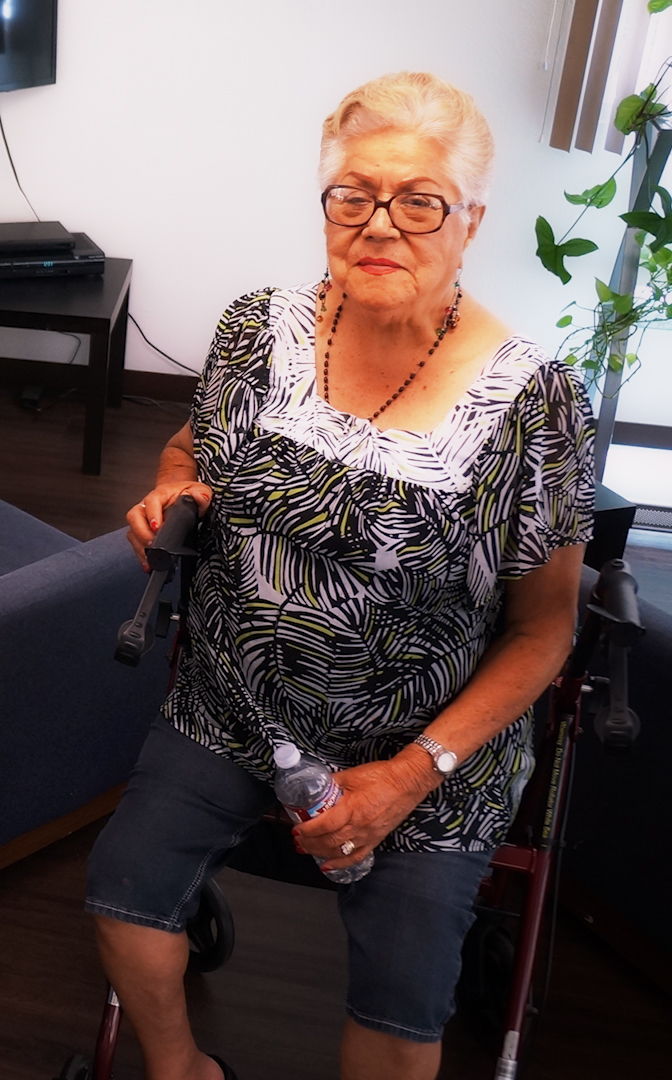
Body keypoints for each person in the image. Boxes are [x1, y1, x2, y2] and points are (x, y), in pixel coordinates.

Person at [89, 72, 595, 1080]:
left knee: (406, 1005)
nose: (381, 225)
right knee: (121, 891)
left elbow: (544, 632)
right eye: (354, 195)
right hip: (233, 704)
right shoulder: (256, 328)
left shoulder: (533, 403)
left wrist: (410, 777)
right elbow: (190, 450)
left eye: (419, 202)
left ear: (470, 219)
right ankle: (181, 1068)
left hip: (426, 754)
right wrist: (169, 494)